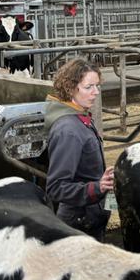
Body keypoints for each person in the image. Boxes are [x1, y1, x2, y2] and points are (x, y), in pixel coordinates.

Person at [44, 58, 113, 241]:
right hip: (77, 223)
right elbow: (56, 187)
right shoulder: (68, 130)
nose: (95, 92)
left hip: (88, 216)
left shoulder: (79, 117)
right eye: (88, 87)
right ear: (70, 88)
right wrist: (96, 187)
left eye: (97, 86)